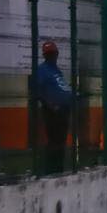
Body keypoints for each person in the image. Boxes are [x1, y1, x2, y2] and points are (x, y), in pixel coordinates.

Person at [31, 40, 73, 173]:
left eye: (53, 53)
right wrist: (51, 105)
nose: (52, 56)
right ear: (45, 55)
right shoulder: (42, 70)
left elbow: (61, 87)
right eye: (49, 54)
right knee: (54, 141)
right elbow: (37, 90)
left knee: (60, 140)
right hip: (52, 110)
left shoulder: (56, 70)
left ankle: (58, 168)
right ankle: (52, 169)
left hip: (63, 110)